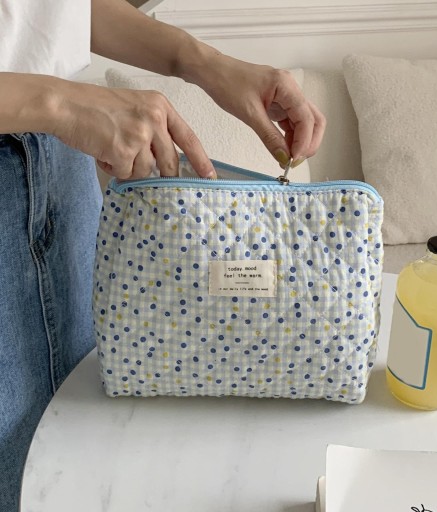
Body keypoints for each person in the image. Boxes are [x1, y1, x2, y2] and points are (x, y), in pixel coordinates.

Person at [0, 0, 325, 510]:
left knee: (90, 449)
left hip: (65, 161)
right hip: (58, 123)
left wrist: (204, 63)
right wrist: (62, 102)